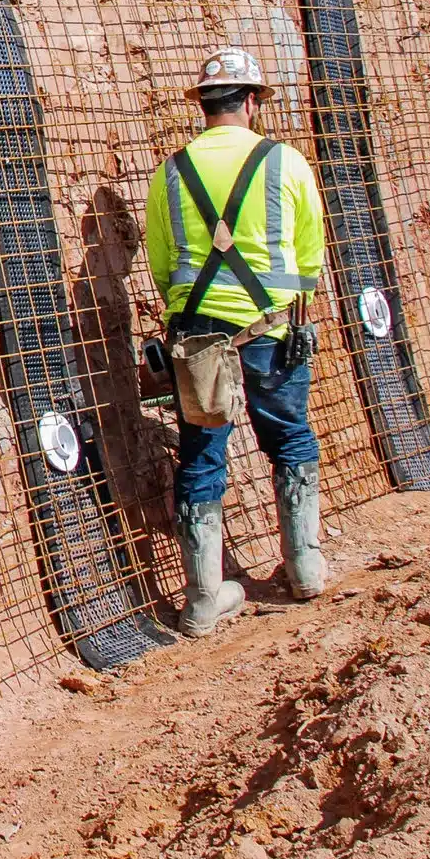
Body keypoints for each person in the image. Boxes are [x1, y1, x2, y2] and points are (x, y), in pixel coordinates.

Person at [143, 47, 329, 636]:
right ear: (251, 102)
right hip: (273, 330)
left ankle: (201, 600)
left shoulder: (171, 172)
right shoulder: (286, 162)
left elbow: (160, 259)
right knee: (289, 433)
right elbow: (309, 253)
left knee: (202, 453)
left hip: (199, 340)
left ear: (204, 106)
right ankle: (304, 566)